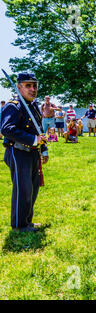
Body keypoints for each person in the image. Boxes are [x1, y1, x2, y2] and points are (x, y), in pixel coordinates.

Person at [0, 72, 48, 232]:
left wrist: (43, 149)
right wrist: (34, 140)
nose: (33, 89)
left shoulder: (33, 105)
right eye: (28, 85)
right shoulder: (13, 105)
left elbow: (38, 129)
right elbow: (6, 129)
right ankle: (19, 225)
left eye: (35, 85)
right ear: (19, 87)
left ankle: (27, 221)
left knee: (33, 188)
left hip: (33, 153)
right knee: (23, 189)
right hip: (18, 152)